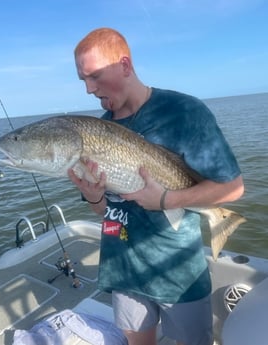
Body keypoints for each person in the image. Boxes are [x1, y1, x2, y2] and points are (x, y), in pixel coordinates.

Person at [68, 28, 244, 345]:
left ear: (124, 65)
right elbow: (105, 209)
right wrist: (95, 199)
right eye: (83, 80)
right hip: (123, 271)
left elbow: (232, 187)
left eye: (94, 76)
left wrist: (166, 199)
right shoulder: (100, 129)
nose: (89, 89)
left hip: (178, 275)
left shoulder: (184, 113)